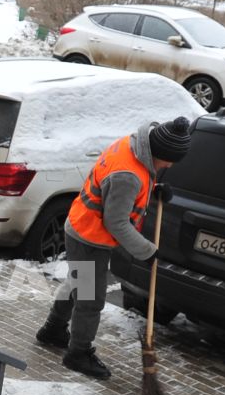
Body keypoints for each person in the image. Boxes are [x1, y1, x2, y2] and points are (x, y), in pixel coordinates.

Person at [35, 116, 195, 380]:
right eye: (169, 160)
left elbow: (125, 186)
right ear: (160, 151)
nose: (168, 165)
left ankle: (52, 330)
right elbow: (116, 222)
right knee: (90, 298)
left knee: (78, 282)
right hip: (88, 237)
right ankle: (78, 354)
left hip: (82, 227)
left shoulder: (133, 147)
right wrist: (146, 250)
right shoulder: (128, 176)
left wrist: (155, 188)